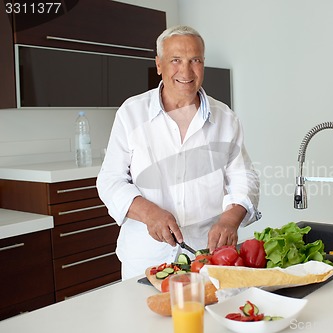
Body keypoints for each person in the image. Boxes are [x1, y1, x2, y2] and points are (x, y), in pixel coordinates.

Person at [96, 25, 260, 280]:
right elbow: (109, 180)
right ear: (159, 65)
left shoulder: (226, 118)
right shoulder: (131, 113)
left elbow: (244, 177)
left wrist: (231, 218)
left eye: (195, 60)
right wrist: (149, 213)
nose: (186, 71)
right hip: (145, 260)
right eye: (176, 60)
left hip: (205, 257)